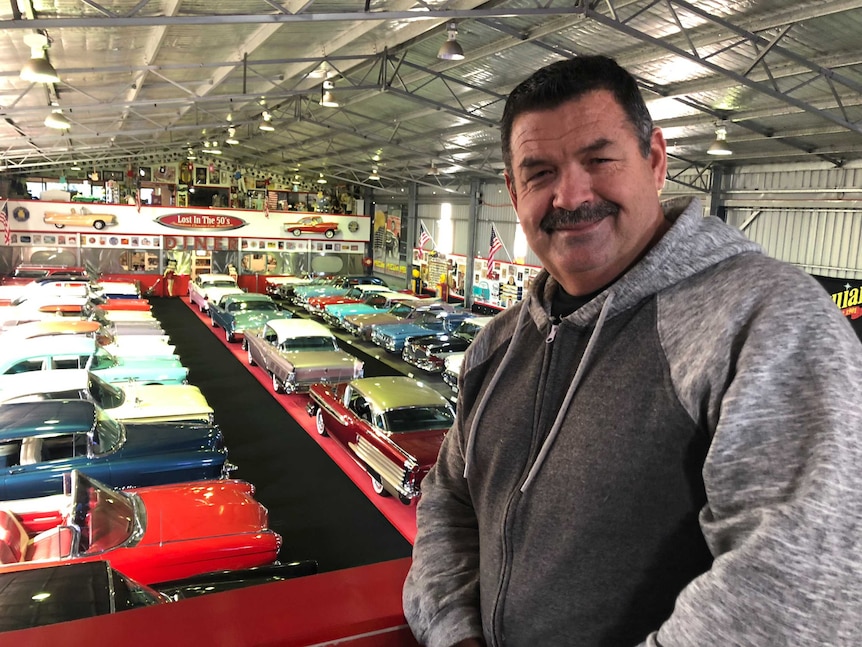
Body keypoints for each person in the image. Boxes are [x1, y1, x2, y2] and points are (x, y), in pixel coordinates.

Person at [402, 55, 862, 647]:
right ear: (513, 193)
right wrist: (454, 632)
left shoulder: (763, 318)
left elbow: (799, 586)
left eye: (598, 159)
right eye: (539, 173)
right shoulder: (497, 344)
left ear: (654, 160)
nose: (571, 195)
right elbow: (449, 499)